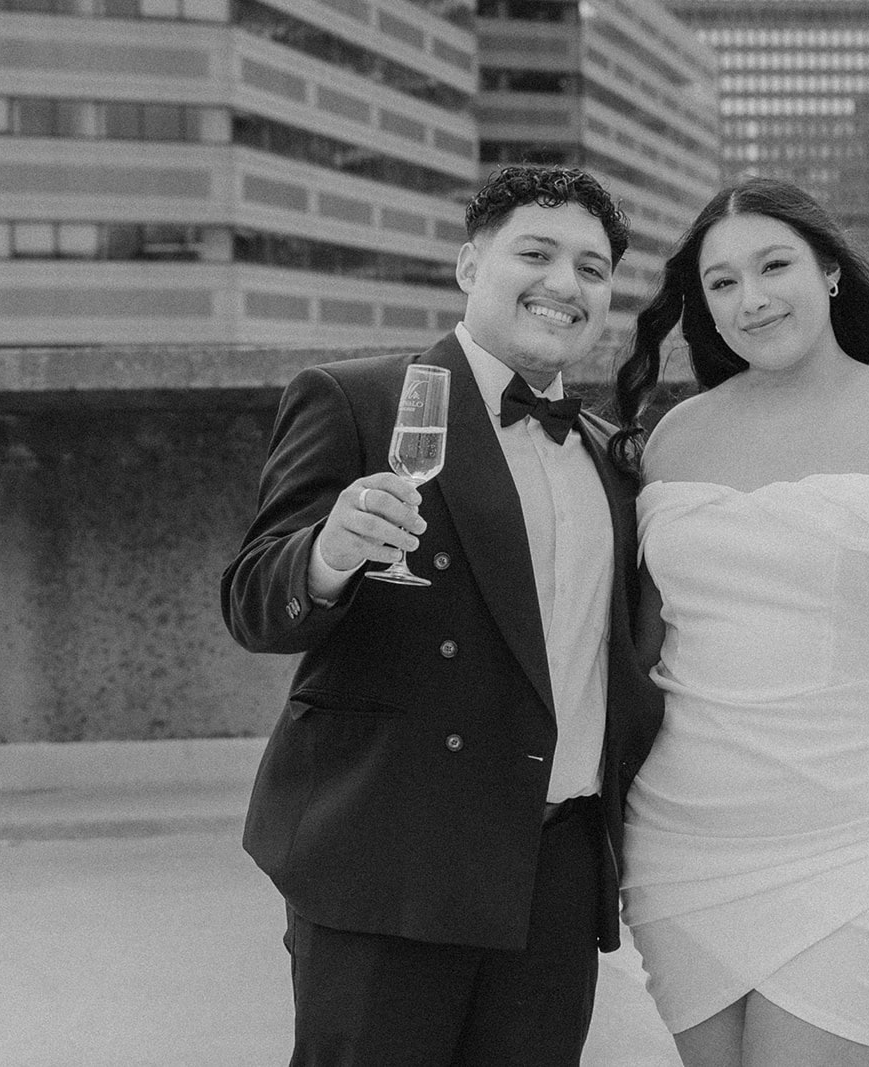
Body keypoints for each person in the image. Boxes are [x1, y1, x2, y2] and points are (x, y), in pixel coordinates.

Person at [222, 165, 663, 1067]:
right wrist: (331, 552)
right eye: (534, 253)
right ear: (470, 265)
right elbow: (254, 600)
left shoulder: (609, 450)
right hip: (391, 861)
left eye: (591, 267)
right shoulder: (357, 398)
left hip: (552, 871)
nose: (563, 284)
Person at [607, 178, 869, 1067]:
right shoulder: (673, 438)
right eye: (721, 283)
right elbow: (640, 652)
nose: (751, 299)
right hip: (690, 837)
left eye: (773, 266)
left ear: (830, 271)